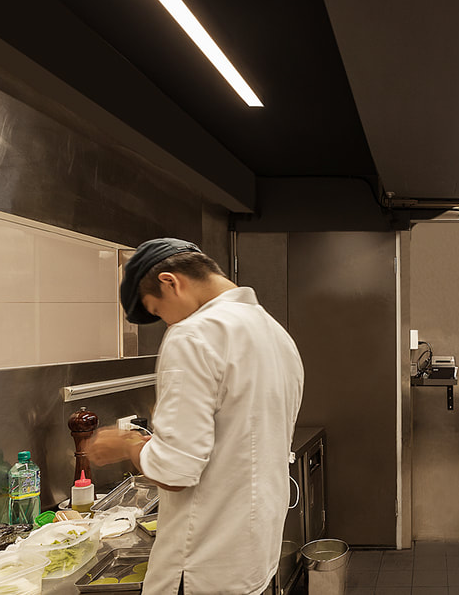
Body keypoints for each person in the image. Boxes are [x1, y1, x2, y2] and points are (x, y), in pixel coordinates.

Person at [85, 238, 304, 595]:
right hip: (253, 558)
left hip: (200, 565)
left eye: (158, 310)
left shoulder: (193, 335)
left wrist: (127, 444)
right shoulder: (277, 335)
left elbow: (176, 471)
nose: (166, 321)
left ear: (171, 282)